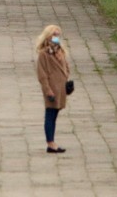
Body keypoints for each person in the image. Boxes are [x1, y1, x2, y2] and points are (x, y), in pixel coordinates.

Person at [35, 24, 71, 153]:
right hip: (51, 88)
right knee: (50, 114)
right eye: (54, 34)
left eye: (58, 35)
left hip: (60, 88)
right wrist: (47, 89)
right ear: (48, 36)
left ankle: (52, 141)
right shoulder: (44, 54)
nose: (56, 37)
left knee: (54, 114)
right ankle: (50, 143)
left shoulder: (59, 51)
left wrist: (66, 78)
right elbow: (42, 74)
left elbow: (66, 66)